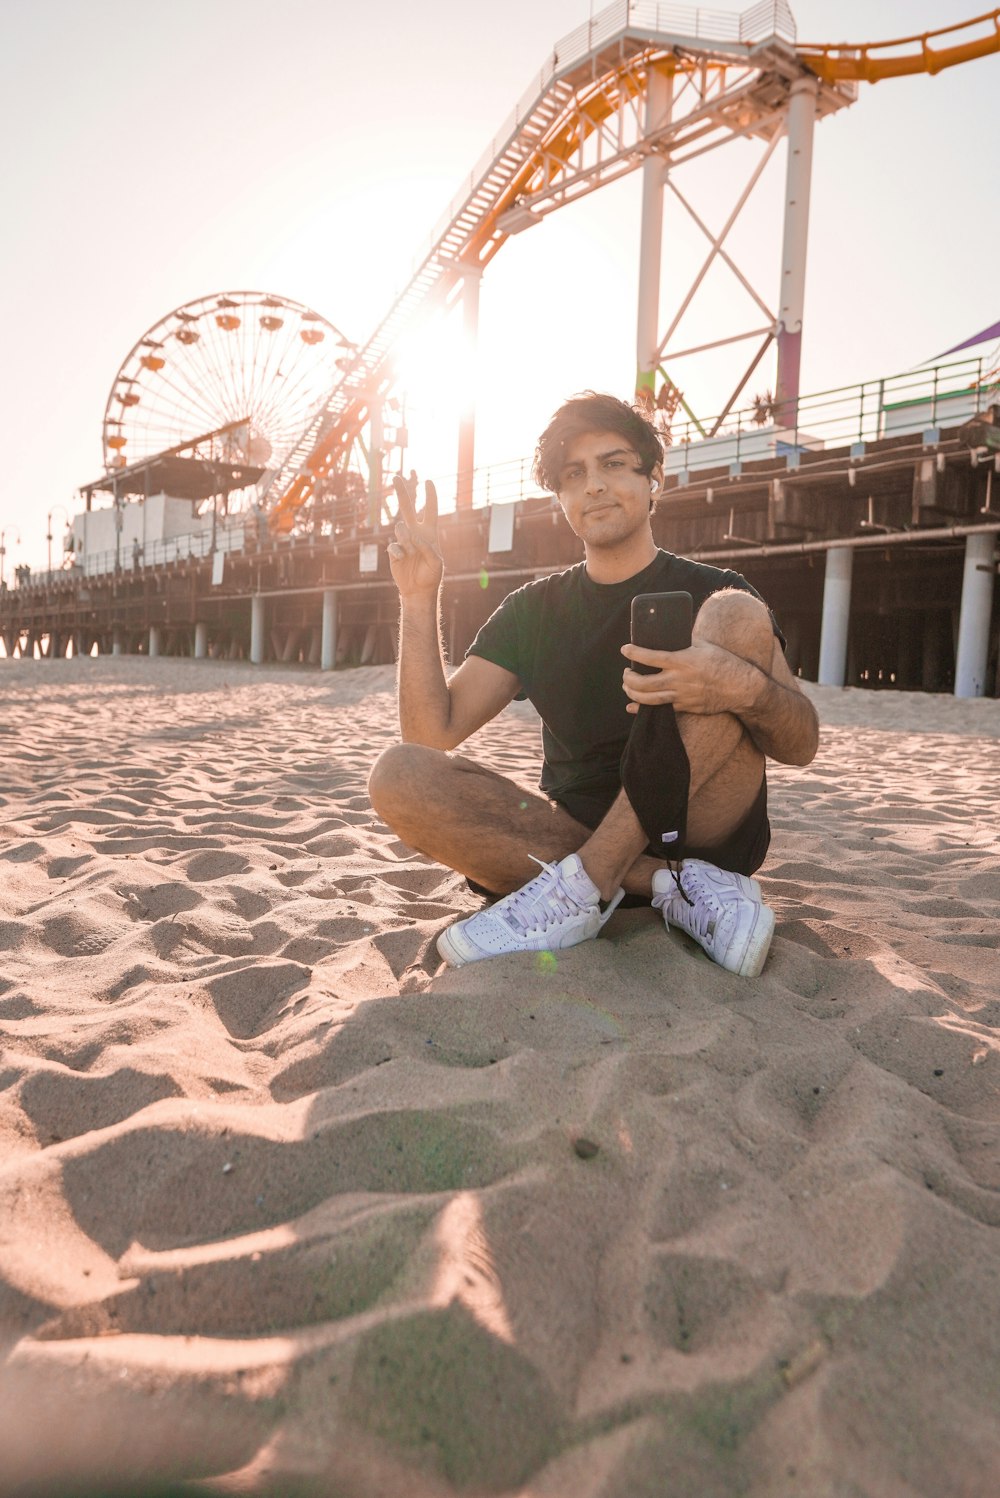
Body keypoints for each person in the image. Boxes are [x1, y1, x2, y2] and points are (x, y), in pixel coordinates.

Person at [368, 393, 819, 978]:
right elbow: (432, 730)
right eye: (574, 474)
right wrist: (418, 593)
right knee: (399, 775)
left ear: (654, 478)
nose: (595, 486)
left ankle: (590, 883)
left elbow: (801, 742)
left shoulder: (718, 589)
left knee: (732, 615)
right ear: (560, 498)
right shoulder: (533, 610)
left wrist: (733, 686)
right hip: (571, 839)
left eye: (613, 464)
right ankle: (661, 884)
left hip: (702, 830)